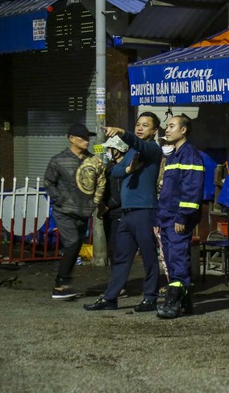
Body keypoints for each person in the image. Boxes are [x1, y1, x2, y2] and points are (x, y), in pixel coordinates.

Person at [84, 112, 163, 312]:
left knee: (148, 256)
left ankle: (150, 298)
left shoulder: (152, 149)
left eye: (145, 125)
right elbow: (114, 171)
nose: (140, 128)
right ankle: (110, 298)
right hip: (126, 213)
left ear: (154, 131)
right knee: (121, 257)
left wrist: (121, 132)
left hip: (144, 211)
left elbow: (140, 145)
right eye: (138, 124)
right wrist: (129, 169)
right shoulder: (130, 152)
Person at [45, 123, 104, 299]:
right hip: (64, 212)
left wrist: (95, 203)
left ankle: (64, 284)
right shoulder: (58, 160)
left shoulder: (92, 160)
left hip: (84, 212)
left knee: (76, 244)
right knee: (72, 243)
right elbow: (48, 183)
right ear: (71, 138)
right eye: (82, 138)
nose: (86, 141)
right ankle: (60, 284)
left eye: (88, 138)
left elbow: (99, 182)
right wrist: (61, 199)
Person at [155, 115, 205, 319]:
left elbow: (192, 190)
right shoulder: (174, 156)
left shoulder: (190, 155)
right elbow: (168, 192)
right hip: (167, 218)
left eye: (171, 126)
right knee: (171, 259)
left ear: (183, 130)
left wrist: (183, 217)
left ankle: (173, 304)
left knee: (177, 260)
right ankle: (184, 303)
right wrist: (159, 220)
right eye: (166, 126)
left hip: (177, 219)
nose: (167, 130)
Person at [97, 136, 129, 296]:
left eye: (109, 149)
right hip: (111, 214)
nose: (107, 152)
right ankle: (117, 284)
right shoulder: (111, 167)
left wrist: (106, 207)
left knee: (117, 251)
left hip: (117, 214)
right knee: (113, 250)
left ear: (117, 150)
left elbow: (119, 195)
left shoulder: (121, 169)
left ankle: (119, 286)